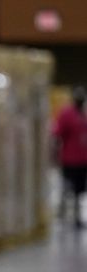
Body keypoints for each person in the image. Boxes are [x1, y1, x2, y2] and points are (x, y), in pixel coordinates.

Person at [52, 86, 87, 228]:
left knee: (79, 190)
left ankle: (77, 217)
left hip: (83, 159)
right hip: (69, 159)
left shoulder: (84, 114)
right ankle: (63, 214)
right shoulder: (67, 114)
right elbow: (57, 133)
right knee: (67, 187)